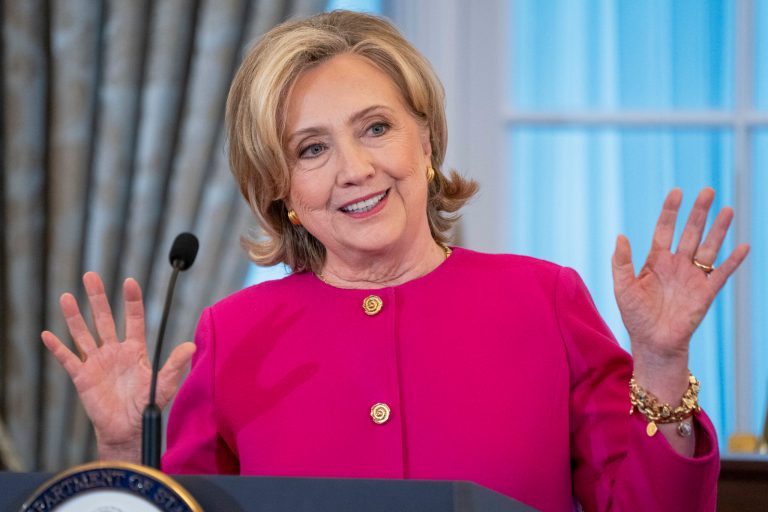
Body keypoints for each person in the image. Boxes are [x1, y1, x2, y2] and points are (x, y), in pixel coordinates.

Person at [41, 10, 749, 512]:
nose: (354, 169)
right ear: (282, 191)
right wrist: (129, 449)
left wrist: (659, 363)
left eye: (376, 127)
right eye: (310, 149)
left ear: (426, 142)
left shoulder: (543, 299)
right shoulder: (234, 334)